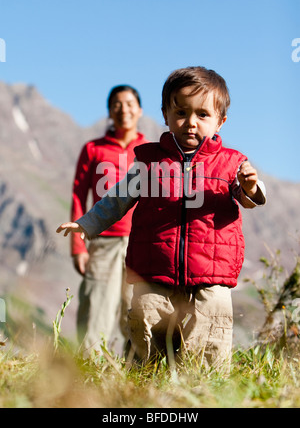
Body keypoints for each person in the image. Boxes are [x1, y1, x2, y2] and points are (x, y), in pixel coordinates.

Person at [58, 66, 266, 370]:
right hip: (154, 269)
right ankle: (145, 380)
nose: (191, 123)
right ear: (165, 114)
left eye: (203, 115)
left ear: (221, 121)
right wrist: (86, 224)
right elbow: (117, 198)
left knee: (207, 337)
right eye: (181, 112)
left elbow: (249, 196)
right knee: (145, 322)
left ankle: (203, 391)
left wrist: (251, 186)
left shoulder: (231, 163)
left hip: (210, 273)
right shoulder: (150, 161)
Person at [70, 84, 146, 354]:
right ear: (109, 112)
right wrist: (78, 246)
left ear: (139, 110)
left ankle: (136, 378)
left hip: (141, 243)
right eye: (116, 104)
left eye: (128, 104)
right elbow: (79, 195)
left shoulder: (150, 151)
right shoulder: (93, 149)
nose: (123, 110)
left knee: (138, 313)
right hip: (102, 242)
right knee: (95, 310)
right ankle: (88, 375)